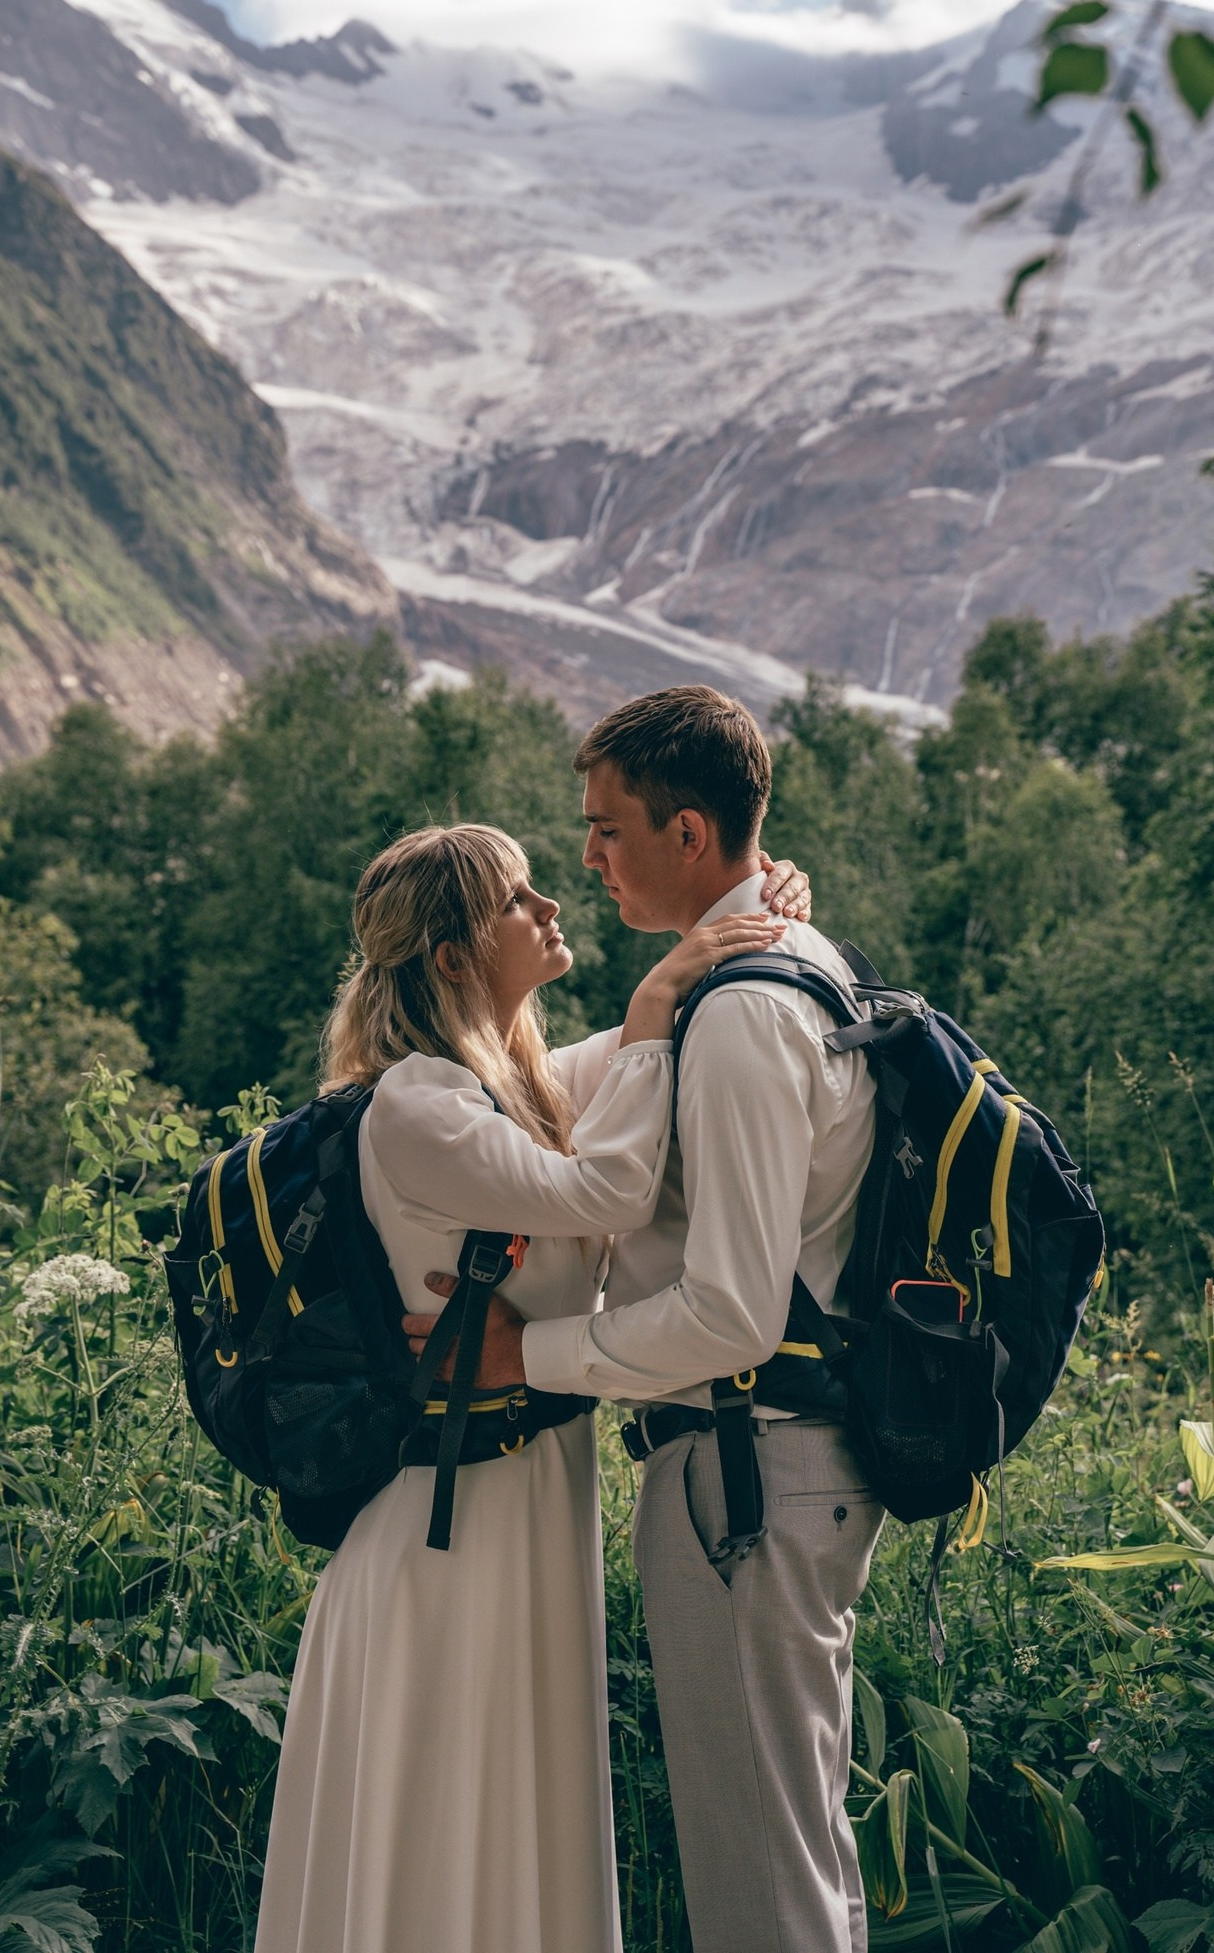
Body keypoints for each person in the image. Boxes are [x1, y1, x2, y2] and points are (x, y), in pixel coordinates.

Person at [252, 820, 808, 1953]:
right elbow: (612, 1189)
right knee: (441, 1844)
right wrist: (654, 999)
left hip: (520, 1512)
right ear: (454, 955)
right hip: (443, 1541)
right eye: (517, 897)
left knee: (509, 1833)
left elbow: (653, 1051)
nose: (551, 906)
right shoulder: (417, 1105)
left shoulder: (518, 1087)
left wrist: (759, 896)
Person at [407, 687, 882, 1953]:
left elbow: (731, 1312)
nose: (586, 857)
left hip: (744, 1468)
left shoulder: (746, 1012)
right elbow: (563, 1098)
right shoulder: (774, 973)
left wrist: (528, 1355)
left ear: (688, 833)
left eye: (606, 827)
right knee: (794, 1853)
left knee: (760, 1878)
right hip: (770, 1466)